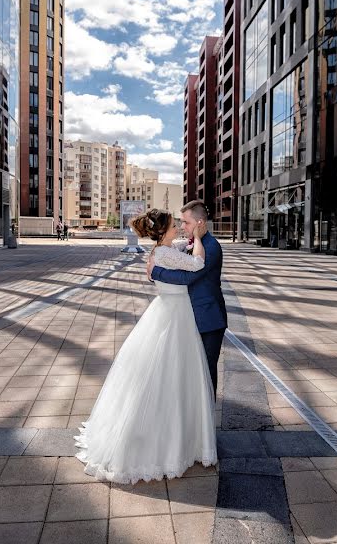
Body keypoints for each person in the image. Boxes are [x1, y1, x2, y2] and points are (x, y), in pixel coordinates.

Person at [75, 207, 217, 484]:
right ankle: (168, 445)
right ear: (163, 231)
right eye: (174, 225)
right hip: (175, 317)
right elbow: (198, 264)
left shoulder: (161, 252)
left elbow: (176, 254)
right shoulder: (165, 253)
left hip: (167, 312)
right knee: (171, 375)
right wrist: (198, 239)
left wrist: (185, 243)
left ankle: (166, 440)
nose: (178, 228)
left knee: (162, 375)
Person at [148, 201, 227, 394]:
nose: (182, 227)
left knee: (206, 375)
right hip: (189, 318)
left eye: (186, 222)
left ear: (200, 223)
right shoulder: (190, 244)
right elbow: (171, 260)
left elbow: (189, 277)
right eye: (180, 223)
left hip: (208, 320)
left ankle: (206, 422)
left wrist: (156, 272)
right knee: (192, 374)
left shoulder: (211, 247)